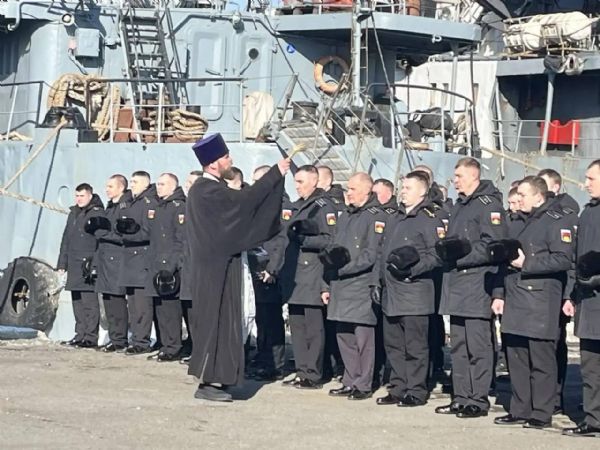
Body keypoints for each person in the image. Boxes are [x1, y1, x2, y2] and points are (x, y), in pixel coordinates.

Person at [186, 133, 290, 402]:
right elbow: (243, 203)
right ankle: (209, 381)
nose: (230, 160)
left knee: (225, 322)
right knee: (217, 323)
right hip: (216, 268)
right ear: (213, 164)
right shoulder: (207, 190)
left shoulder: (210, 189)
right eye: (225, 156)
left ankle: (220, 378)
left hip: (221, 264)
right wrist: (274, 175)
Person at [493, 176, 574, 429]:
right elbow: (503, 260)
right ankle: (520, 408)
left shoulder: (556, 221)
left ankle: (541, 411)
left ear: (538, 197)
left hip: (540, 299)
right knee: (516, 357)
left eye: (523, 195)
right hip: (514, 296)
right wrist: (499, 294)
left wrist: (527, 263)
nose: (518, 199)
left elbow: (563, 259)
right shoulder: (516, 221)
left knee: (541, 360)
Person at [436, 157, 507, 418]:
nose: (455, 181)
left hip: (478, 284)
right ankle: (461, 396)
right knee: (458, 346)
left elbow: (494, 245)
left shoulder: (489, 206)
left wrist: (460, 256)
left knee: (477, 347)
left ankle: (477, 399)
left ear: (474, 176)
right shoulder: (460, 205)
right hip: (457, 284)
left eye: (459, 176)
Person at [374, 171, 443, 407]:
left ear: (422, 191)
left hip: (414, 293)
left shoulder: (428, 219)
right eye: (402, 188)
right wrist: (377, 282)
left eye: (408, 188)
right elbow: (381, 253)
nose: (402, 192)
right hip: (391, 294)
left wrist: (411, 270)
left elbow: (436, 255)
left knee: (415, 347)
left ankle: (416, 390)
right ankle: (398, 387)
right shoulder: (395, 217)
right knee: (393, 345)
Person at [323, 173, 386, 400]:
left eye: (352, 189)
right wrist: (326, 282)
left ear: (367, 190)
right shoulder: (345, 216)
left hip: (360, 284)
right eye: (348, 189)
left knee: (363, 338)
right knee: (344, 335)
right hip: (340, 285)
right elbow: (333, 248)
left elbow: (372, 254)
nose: (348, 193)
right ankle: (350, 379)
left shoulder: (375, 216)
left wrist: (342, 270)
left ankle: (363, 384)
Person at [279, 165, 337, 389]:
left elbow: (330, 239)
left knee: (313, 328)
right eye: (295, 182)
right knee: (297, 327)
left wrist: (304, 240)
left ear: (314, 181)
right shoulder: (298, 205)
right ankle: (302, 370)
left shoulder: (323, 206)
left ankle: (313, 373)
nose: (297, 186)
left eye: (301, 182)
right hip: (295, 275)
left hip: (312, 272)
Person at [538, 168, 580, 415]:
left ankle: (555, 396)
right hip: (541, 292)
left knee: (554, 344)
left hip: (559, 288)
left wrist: (568, 294)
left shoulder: (566, 216)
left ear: (555, 188)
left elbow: (570, 258)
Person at [563, 160, 600, 437]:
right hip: (588, 302)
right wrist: (571, 294)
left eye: (591, 179)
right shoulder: (587, 213)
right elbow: (575, 258)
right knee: (590, 366)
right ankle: (593, 418)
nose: (585, 184)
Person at [246, 165, 288, 382]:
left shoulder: (280, 205)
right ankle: (263, 358)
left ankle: (275, 365)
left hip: (270, 271)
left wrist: (272, 269)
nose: (255, 185)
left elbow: (281, 241)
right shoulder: (263, 204)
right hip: (256, 266)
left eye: (258, 180)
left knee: (271, 320)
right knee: (261, 318)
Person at [144, 173, 186, 362]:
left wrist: (171, 266)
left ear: (172, 186)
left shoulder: (178, 207)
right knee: (160, 309)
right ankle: (165, 345)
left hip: (169, 267)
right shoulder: (159, 206)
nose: (158, 187)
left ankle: (173, 347)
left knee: (170, 310)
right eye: (157, 184)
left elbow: (180, 240)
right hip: (156, 265)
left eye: (162, 184)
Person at [86, 175, 130, 352]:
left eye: (111, 186)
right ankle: (114, 337)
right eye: (107, 186)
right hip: (105, 259)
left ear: (121, 188)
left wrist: (102, 234)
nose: (107, 190)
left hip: (116, 260)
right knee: (108, 300)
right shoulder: (110, 207)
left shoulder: (124, 207)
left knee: (117, 301)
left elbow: (124, 235)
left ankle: (120, 339)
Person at [116, 171, 158, 355]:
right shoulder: (129, 202)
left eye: (135, 182)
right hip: (129, 260)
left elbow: (148, 232)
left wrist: (127, 236)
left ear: (146, 185)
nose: (131, 184)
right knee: (132, 304)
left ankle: (142, 341)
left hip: (141, 259)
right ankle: (136, 338)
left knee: (142, 306)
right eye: (131, 181)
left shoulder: (149, 203)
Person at [57, 183, 104, 348]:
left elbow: (100, 241)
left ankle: (90, 337)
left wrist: (95, 263)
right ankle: (80, 334)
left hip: (87, 264)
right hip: (73, 263)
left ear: (90, 196)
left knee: (89, 302)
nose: (79, 199)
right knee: (77, 301)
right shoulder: (74, 213)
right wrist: (62, 263)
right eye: (77, 196)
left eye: (82, 196)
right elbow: (66, 239)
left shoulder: (97, 213)